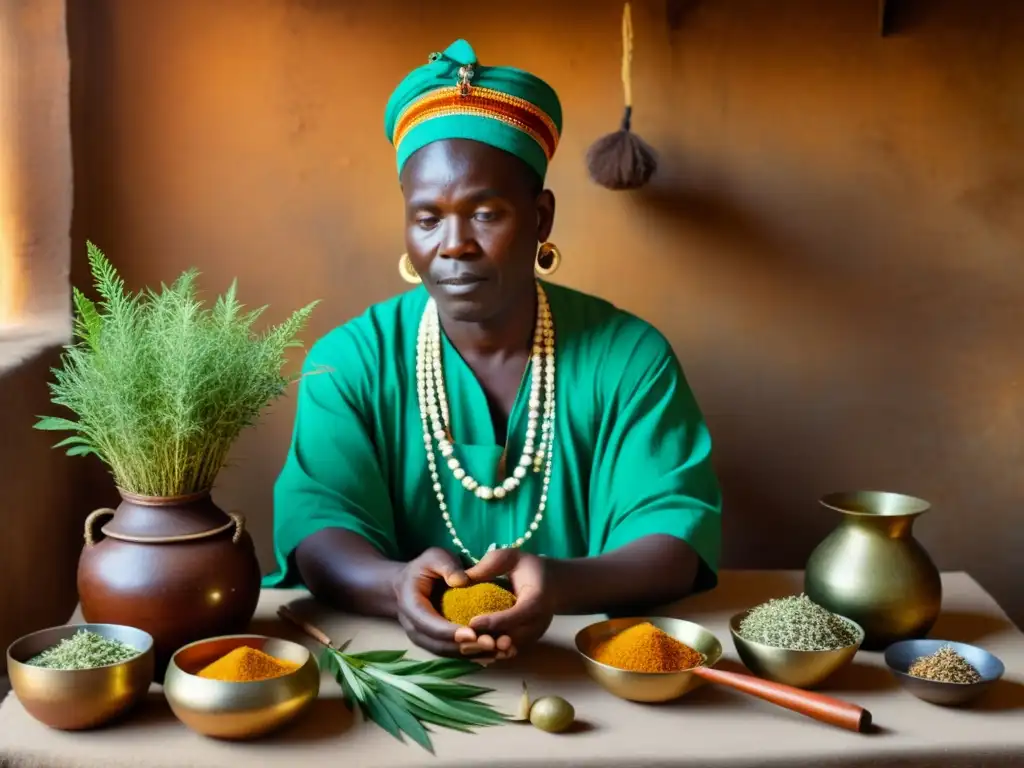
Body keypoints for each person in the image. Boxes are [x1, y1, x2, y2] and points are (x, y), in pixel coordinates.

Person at [263, 39, 722, 663]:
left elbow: (672, 536)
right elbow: (318, 526)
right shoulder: (348, 362)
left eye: (486, 213)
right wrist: (394, 586)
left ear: (541, 219)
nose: (454, 245)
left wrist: (556, 583)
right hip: (398, 664)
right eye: (428, 219)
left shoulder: (629, 358)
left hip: (586, 669)